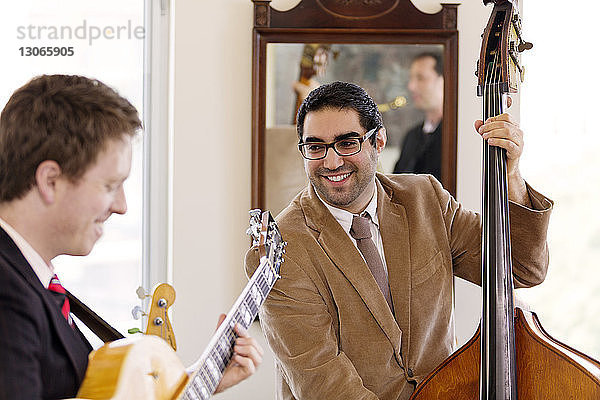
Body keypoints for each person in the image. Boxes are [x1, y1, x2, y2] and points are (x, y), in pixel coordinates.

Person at [245, 81, 552, 400]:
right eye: (315, 147)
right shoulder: (279, 249)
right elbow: (323, 384)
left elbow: (521, 268)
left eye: (347, 143)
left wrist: (511, 176)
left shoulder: (425, 198)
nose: (331, 162)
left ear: (378, 140)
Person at [0, 75, 262, 400]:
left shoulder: (27, 278)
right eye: (110, 185)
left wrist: (194, 382)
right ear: (50, 180)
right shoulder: (7, 290)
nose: (122, 207)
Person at [393, 52, 444, 180]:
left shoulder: (457, 137)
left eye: (421, 78)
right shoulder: (411, 136)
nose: (411, 86)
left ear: (443, 81)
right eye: (411, 79)